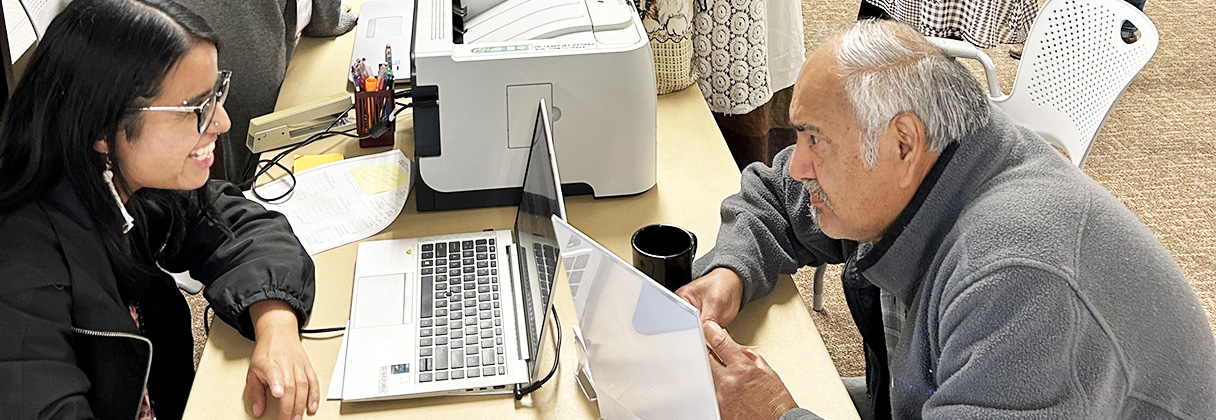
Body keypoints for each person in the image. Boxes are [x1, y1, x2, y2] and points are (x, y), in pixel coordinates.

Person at [677, 19, 1216, 420]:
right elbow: (779, 196)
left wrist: (774, 415)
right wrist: (731, 272)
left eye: (815, 138)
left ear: (904, 142)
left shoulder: (1021, 281)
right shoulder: (935, 163)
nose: (799, 163)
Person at [0, 1, 319, 419]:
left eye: (216, 95)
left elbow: (244, 228)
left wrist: (276, 326)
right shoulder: (21, 270)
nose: (221, 122)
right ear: (102, 127)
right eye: (197, 108)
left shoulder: (122, 185)